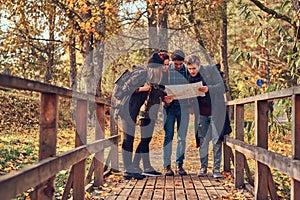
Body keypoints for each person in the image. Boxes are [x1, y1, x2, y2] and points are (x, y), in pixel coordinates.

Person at [120, 52, 169, 179]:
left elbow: (152, 90)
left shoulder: (152, 76)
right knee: (128, 138)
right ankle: (127, 170)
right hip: (126, 108)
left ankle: (131, 169)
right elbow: (124, 88)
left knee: (130, 138)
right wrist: (141, 89)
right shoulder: (142, 73)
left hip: (133, 109)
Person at [185, 54, 226, 178]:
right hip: (201, 113)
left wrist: (208, 89)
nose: (192, 71)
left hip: (216, 111)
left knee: (216, 140)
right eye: (190, 68)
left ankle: (217, 169)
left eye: (194, 68)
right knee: (202, 141)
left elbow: (222, 87)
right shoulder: (188, 77)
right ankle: (203, 168)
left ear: (199, 65)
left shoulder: (211, 71)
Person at [163, 50, 190, 176]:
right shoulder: (167, 69)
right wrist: (164, 99)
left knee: (182, 138)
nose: (178, 66)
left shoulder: (187, 70)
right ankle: (167, 166)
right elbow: (160, 87)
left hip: (184, 107)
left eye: (180, 64)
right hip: (169, 108)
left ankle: (180, 165)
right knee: (168, 136)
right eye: (176, 64)